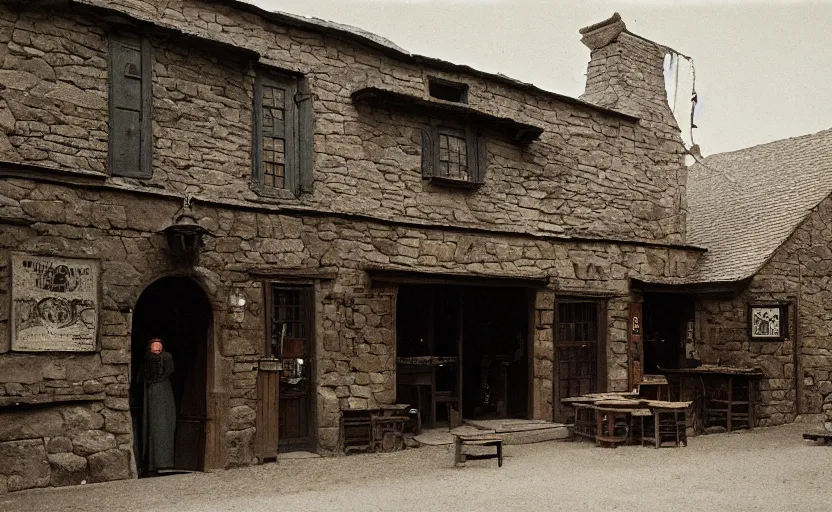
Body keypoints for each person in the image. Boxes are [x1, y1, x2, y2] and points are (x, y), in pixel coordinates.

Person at [139, 339, 176, 474]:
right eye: (154, 351)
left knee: (162, 426)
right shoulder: (146, 368)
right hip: (150, 396)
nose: (157, 354)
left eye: (159, 351)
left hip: (162, 397)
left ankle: (163, 462)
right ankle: (148, 463)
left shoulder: (166, 364)